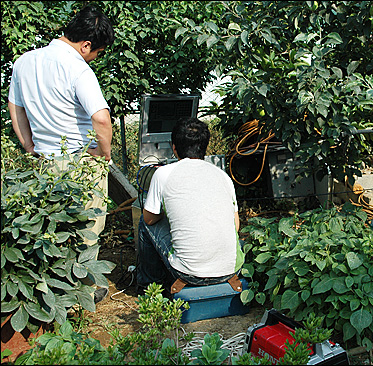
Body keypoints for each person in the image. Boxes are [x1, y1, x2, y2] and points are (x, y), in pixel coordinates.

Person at [8, 5, 115, 304]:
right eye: (97, 52)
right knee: (88, 227)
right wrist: (102, 153)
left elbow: (15, 108)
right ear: (86, 45)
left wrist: (30, 146)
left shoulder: (24, 62)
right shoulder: (77, 67)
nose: (95, 58)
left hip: (44, 161)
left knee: (51, 226)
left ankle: (53, 289)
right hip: (80, 161)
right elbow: (101, 118)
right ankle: (81, 293)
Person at [137, 117, 244, 295]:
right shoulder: (223, 176)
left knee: (143, 223)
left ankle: (149, 287)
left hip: (188, 273)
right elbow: (236, 225)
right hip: (230, 270)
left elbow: (149, 219)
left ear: (174, 147)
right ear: (205, 147)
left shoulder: (163, 174)